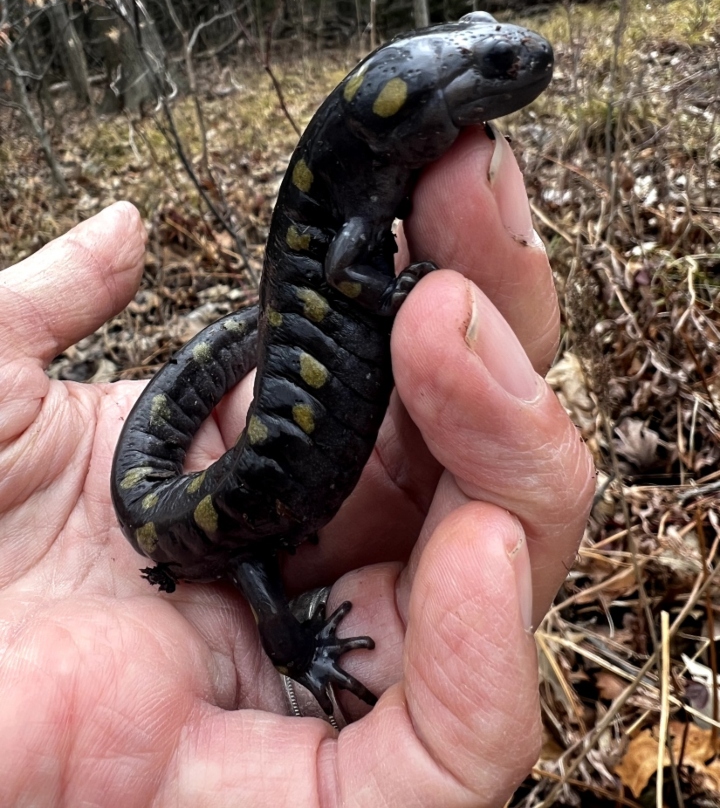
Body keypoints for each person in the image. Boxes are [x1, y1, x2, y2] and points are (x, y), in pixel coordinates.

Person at [0, 127, 594, 807]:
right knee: (260, 580)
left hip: (210, 503)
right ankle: (296, 650)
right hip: (218, 533)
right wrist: (301, 650)